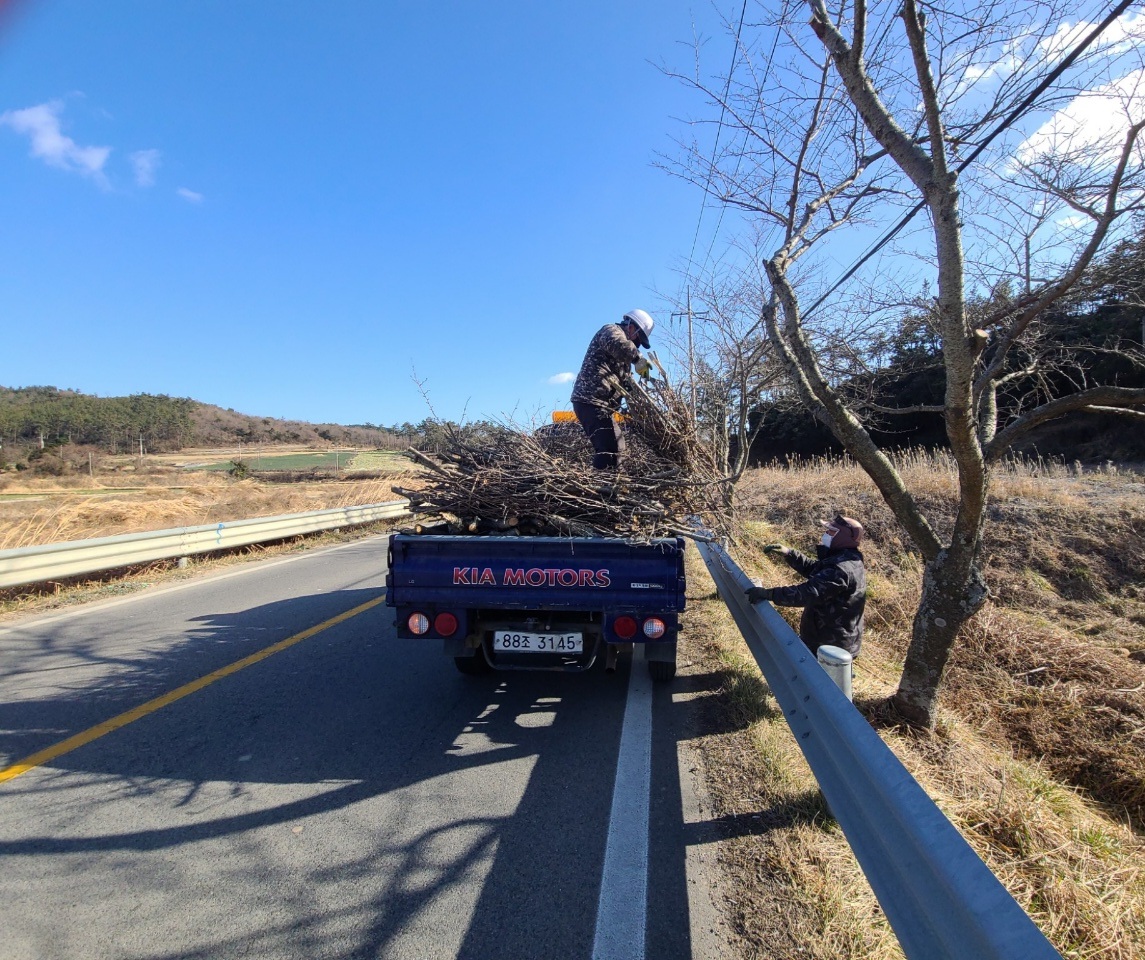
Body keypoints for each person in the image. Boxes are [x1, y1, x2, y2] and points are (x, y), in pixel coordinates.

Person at [745, 515, 867, 657]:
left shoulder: (842, 568)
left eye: (831, 532)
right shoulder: (844, 558)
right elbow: (816, 570)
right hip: (825, 637)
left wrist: (769, 594)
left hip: (831, 645)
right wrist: (789, 554)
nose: (826, 534)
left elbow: (807, 593)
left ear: (843, 537)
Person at [571, 309, 654, 472]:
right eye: (638, 339)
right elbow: (619, 345)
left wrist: (640, 401)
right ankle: (602, 484)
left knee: (617, 446)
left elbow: (626, 385)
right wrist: (638, 359)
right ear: (631, 327)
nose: (637, 345)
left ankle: (615, 484)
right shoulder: (610, 331)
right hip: (590, 400)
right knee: (609, 448)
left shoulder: (624, 361)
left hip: (602, 405)